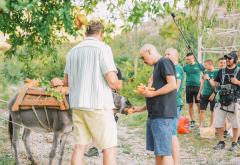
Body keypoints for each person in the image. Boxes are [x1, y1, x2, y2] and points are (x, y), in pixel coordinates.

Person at [64, 20, 122, 165]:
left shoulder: (72, 51)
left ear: (85, 33)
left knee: (79, 147)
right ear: (101, 34)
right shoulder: (103, 48)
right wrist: (118, 84)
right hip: (98, 105)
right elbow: (112, 81)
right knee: (109, 148)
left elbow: (66, 82)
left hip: (78, 105)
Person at [134, 44, 177, 165]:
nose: (144, 61)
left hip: (162, 115)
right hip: (155, 114)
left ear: (150, 51)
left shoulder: (164, 61)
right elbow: (155, 94)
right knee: (159, 153)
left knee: (165, 153)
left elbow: (172, 85)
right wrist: (140, 108)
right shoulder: (157, 66)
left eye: (143, 57)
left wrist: (152, 94)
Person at [206, 51, 240, 151]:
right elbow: (216, 84)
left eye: (230, 58)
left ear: (235, 59)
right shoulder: (221, 71)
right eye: (226, 58)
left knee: (236, 123)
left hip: (235, 101)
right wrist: (208, 79)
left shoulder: (239, 70)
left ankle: (234, 143)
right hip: (221, 101)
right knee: (218, 123)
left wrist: (237, 82)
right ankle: (221, 142)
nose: (227, 60)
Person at [165, 48, 184, 165]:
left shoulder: (178, 68)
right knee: (168, 133)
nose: (166, 56)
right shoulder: (170, 68)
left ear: (176, 56)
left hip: (174, 104)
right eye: (165, 53)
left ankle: (176, 162)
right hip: (168, 104)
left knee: (172, 133)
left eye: (168, 54)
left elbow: (175, 88)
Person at [183, 52, 203, 128]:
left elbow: (206, 70)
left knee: (199, 105)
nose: (189, 60)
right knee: (190, 104)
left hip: (197, 86)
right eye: (187, 59)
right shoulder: (186, 67)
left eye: (190, 58)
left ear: (193, 58)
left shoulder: (199, 65)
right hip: (188, 86)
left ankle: (200, 120)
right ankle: (192, 121)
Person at [197, 60, 218, 128]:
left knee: (213, 111)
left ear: (210, 64)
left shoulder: (216, 72)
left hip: (213, 95)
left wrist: (214, 94)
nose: (205, 67)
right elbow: (202, 84)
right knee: (202, 110)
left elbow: (217, 85)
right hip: (204, 94)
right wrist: (199, 93)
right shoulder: (205, 72)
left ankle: (211, 126)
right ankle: (201, 126)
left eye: (206, 65)